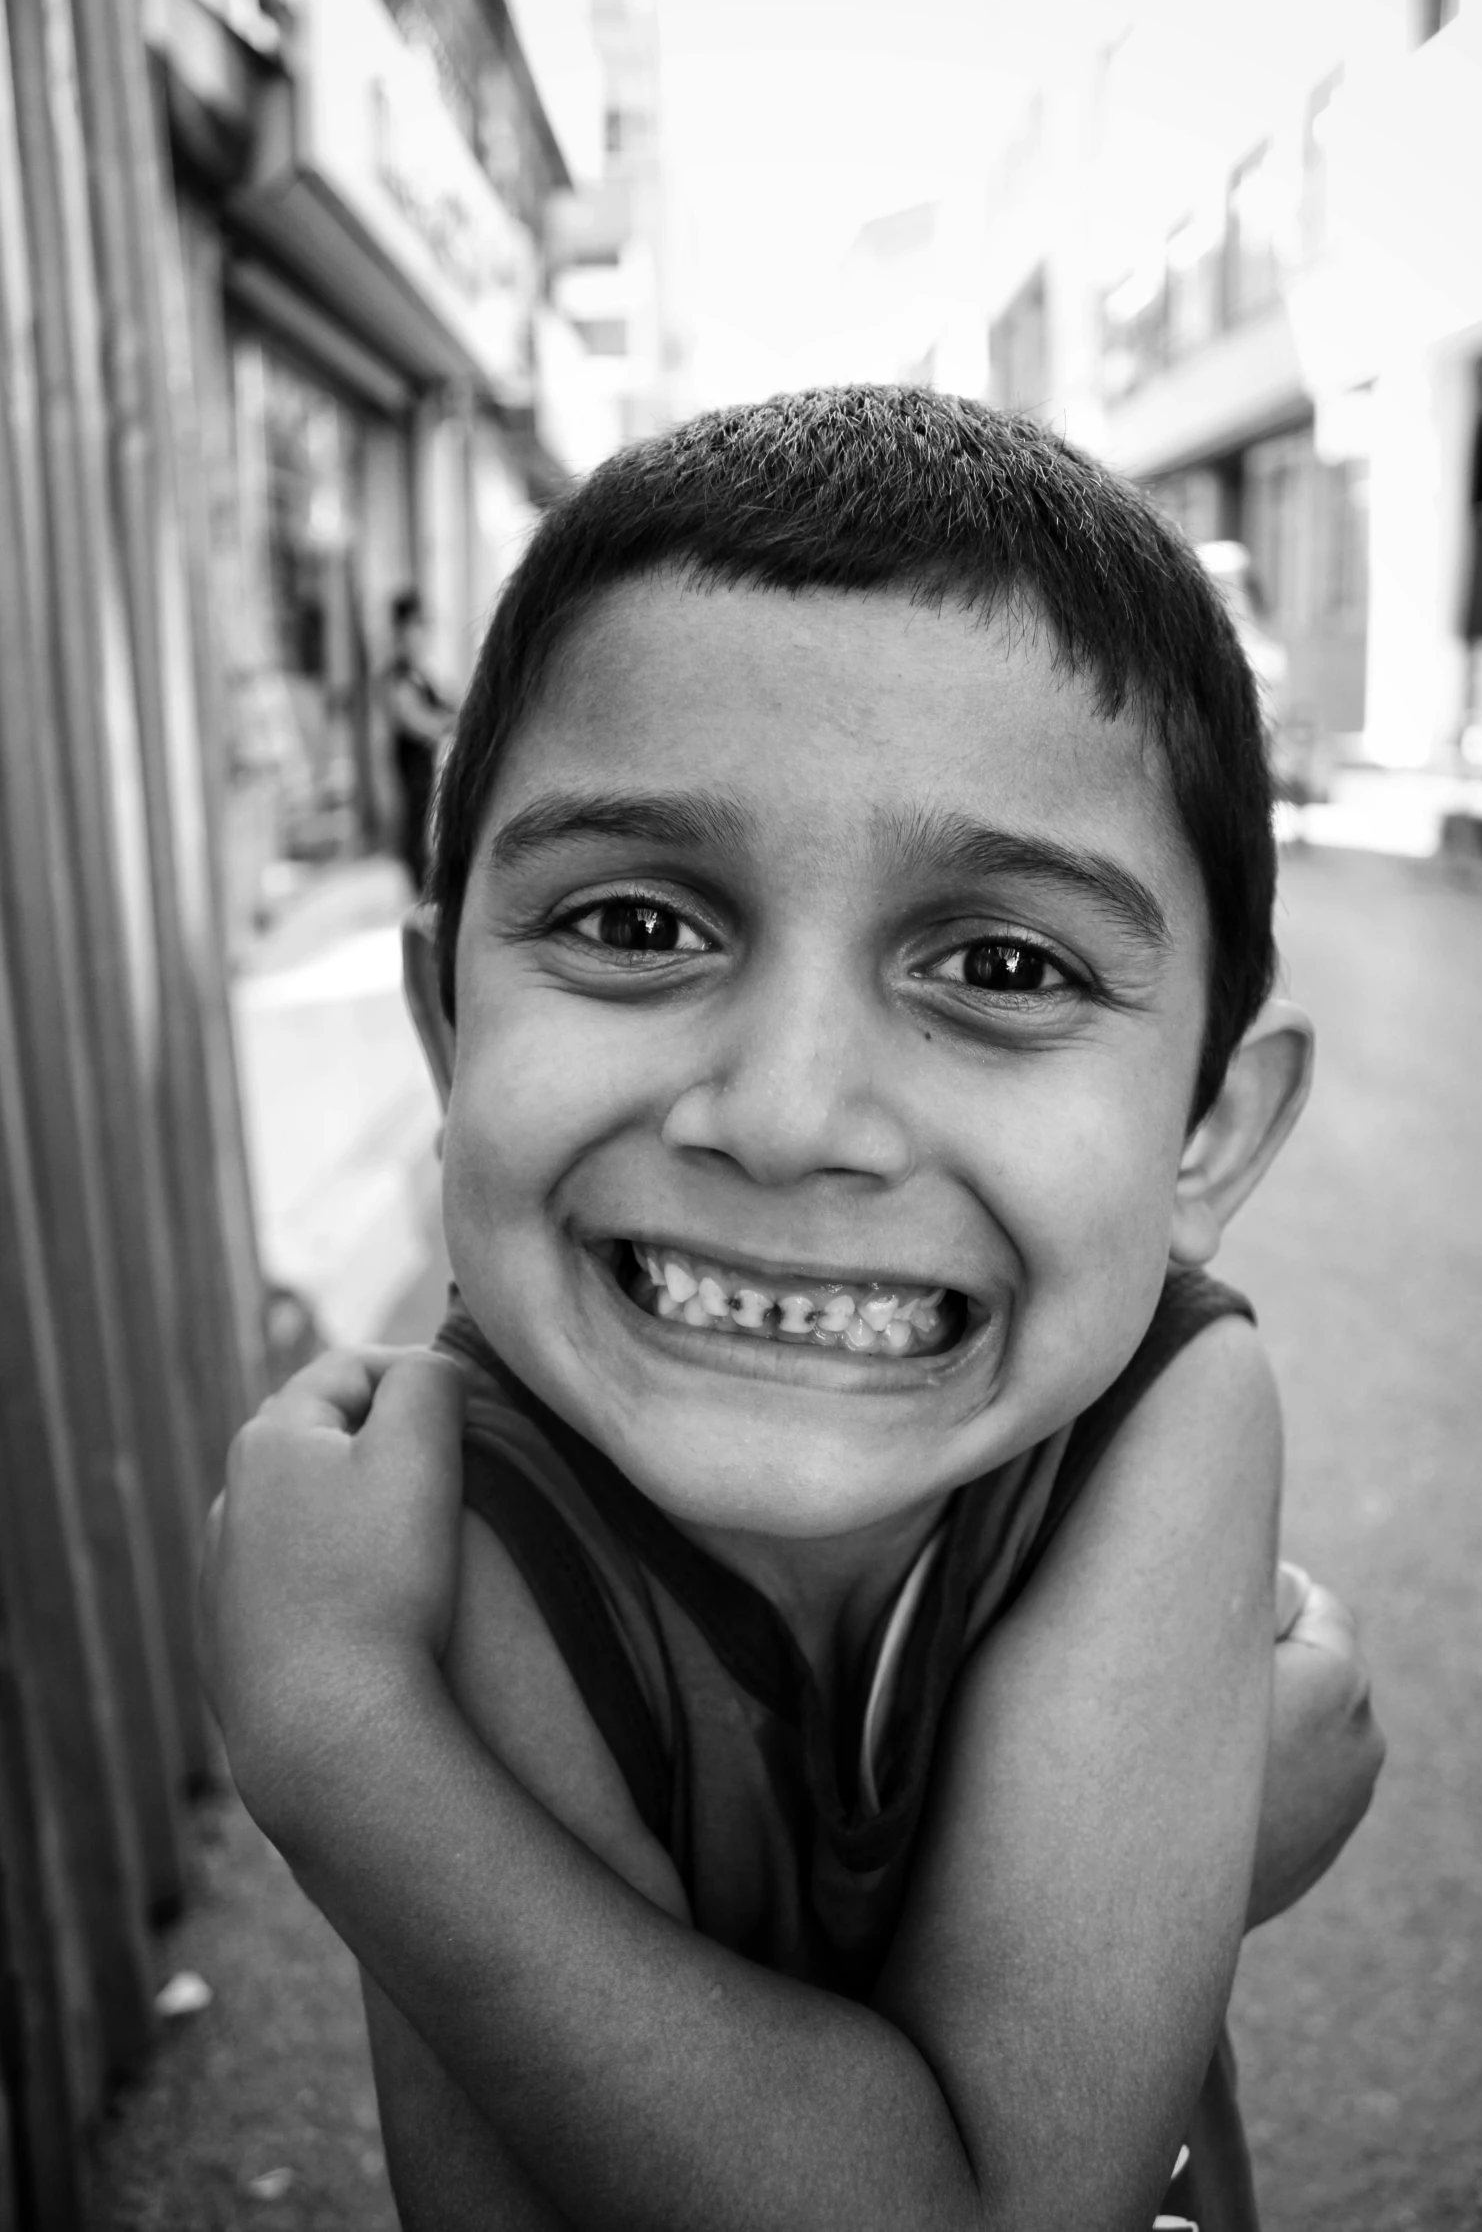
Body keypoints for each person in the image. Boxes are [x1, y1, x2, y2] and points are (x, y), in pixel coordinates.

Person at [203, 388, 1384, 2232]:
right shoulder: (437, 1527)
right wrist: (340, 1736)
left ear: (1202, 1137)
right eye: (637, 926)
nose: (780, 1115)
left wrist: (376, 1760)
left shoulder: (1173, 1402)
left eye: (999, 965)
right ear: (450, 1032)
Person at [381, 589, 455, 891]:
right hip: (410, 761)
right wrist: (448, 723)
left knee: (424, 821)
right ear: (402, 630)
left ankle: (423, 881)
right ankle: (417, 887)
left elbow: (447, 702)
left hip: (425, 760)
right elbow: (414, 721)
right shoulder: (396, 676)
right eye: (418, 626)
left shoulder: (420, 673)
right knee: (413, 823)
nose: (422, 634)